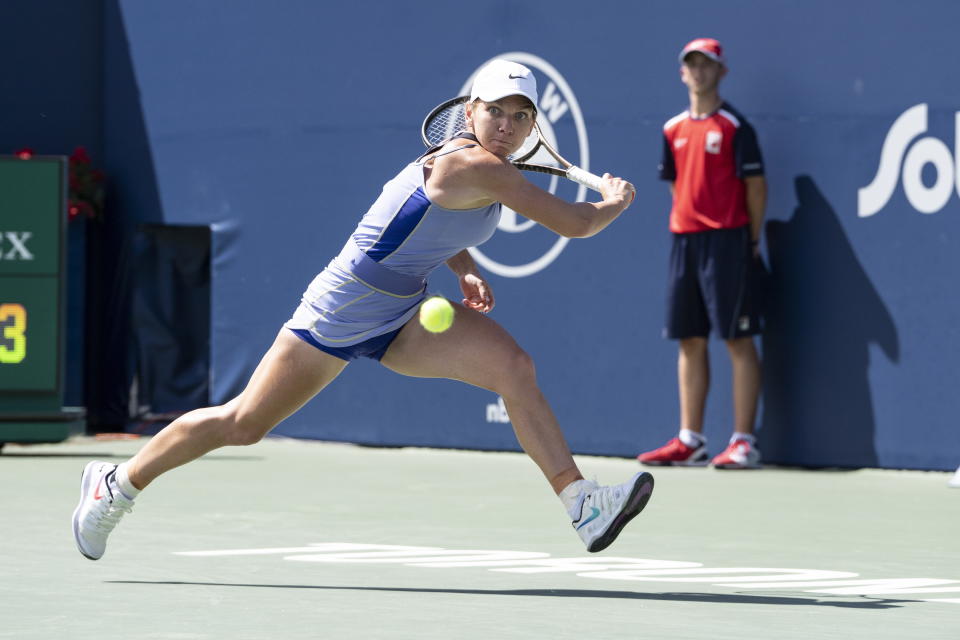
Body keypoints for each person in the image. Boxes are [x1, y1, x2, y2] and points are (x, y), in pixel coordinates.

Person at [72, 59, 652, 560]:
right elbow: (575, 224)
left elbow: (429, 223)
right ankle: (115, 485)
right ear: (471, 111)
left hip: (402, 315)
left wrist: (462, 264)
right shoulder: (475, 165)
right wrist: (615, 203)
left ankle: (582, 505)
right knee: (244, 423)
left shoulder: (480, 168)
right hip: (339, 309)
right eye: (496, 111)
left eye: (521, 116)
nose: (507, 125)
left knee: (514, 369)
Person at [637, 38, 767, 470]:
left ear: (721, 72)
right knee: (689, 338)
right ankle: (691, 439)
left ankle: (744, 441)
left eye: (707, 64)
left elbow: (755, 187)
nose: (698, 71)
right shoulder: (672, 129)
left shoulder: (734, 126)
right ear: (682, 73)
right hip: (684, 241)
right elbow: (677, 185)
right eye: (691, 64)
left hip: (729, 240)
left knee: (736, 337)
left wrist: (748, 239)